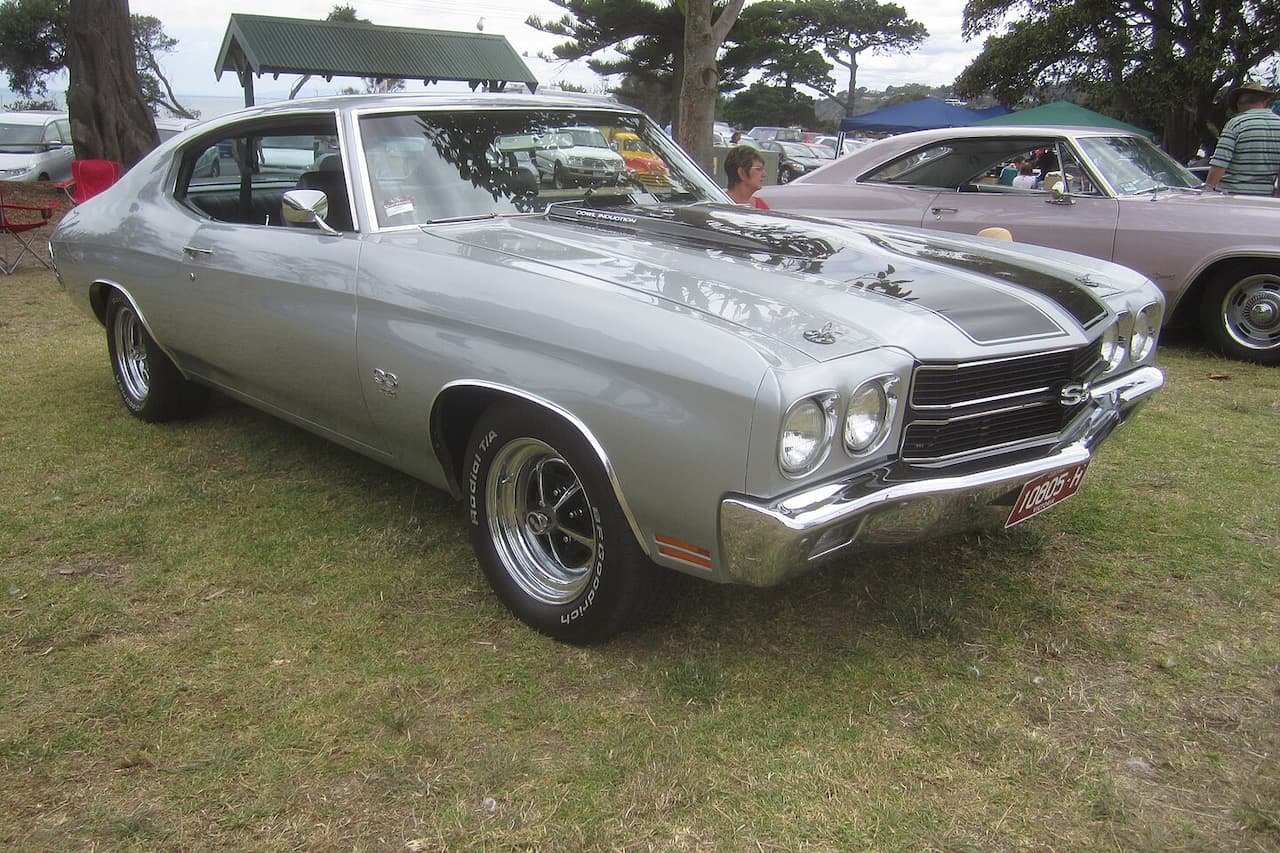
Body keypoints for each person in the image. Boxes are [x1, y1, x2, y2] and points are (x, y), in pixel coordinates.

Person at [1206, 81, 1280, 195]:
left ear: (1238, 104)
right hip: (1265, 198)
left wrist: (1207, 192)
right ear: (1265, 101)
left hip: (1232, 196)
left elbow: (1220, 164)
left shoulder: (1236, 124)